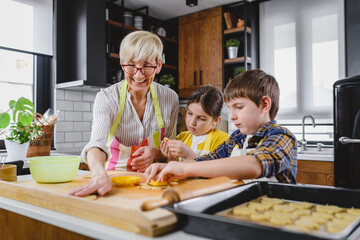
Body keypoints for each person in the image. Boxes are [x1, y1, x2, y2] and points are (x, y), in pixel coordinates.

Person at [69, 31, 179, 196]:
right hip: (113, 181)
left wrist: (155, 152)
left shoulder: (170, 98)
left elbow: (172, 147)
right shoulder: (106, 98)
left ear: (158, 66)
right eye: (131, 65)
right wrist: (99, 174)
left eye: (147, 65)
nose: (138, 74)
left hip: (154, 182)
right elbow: (96, 145)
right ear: (122, 63)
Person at [145, 69, 297, 184]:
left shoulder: (281, 137)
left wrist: (184, 168)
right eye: (230, 109)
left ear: (264, 104)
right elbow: (206, 162)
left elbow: (254, 165)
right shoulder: (237, 138)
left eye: (238, 107)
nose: (232, 116)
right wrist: (168, 166)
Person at [161, 86, 229, 162]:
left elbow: (217, 171)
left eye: (201, 118)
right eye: (190, 113)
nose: (192, 122)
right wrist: (171, 157)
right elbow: (175, 169)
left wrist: (189, 155)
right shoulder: (182, 137)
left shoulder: (222, 140)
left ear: (215, 120)